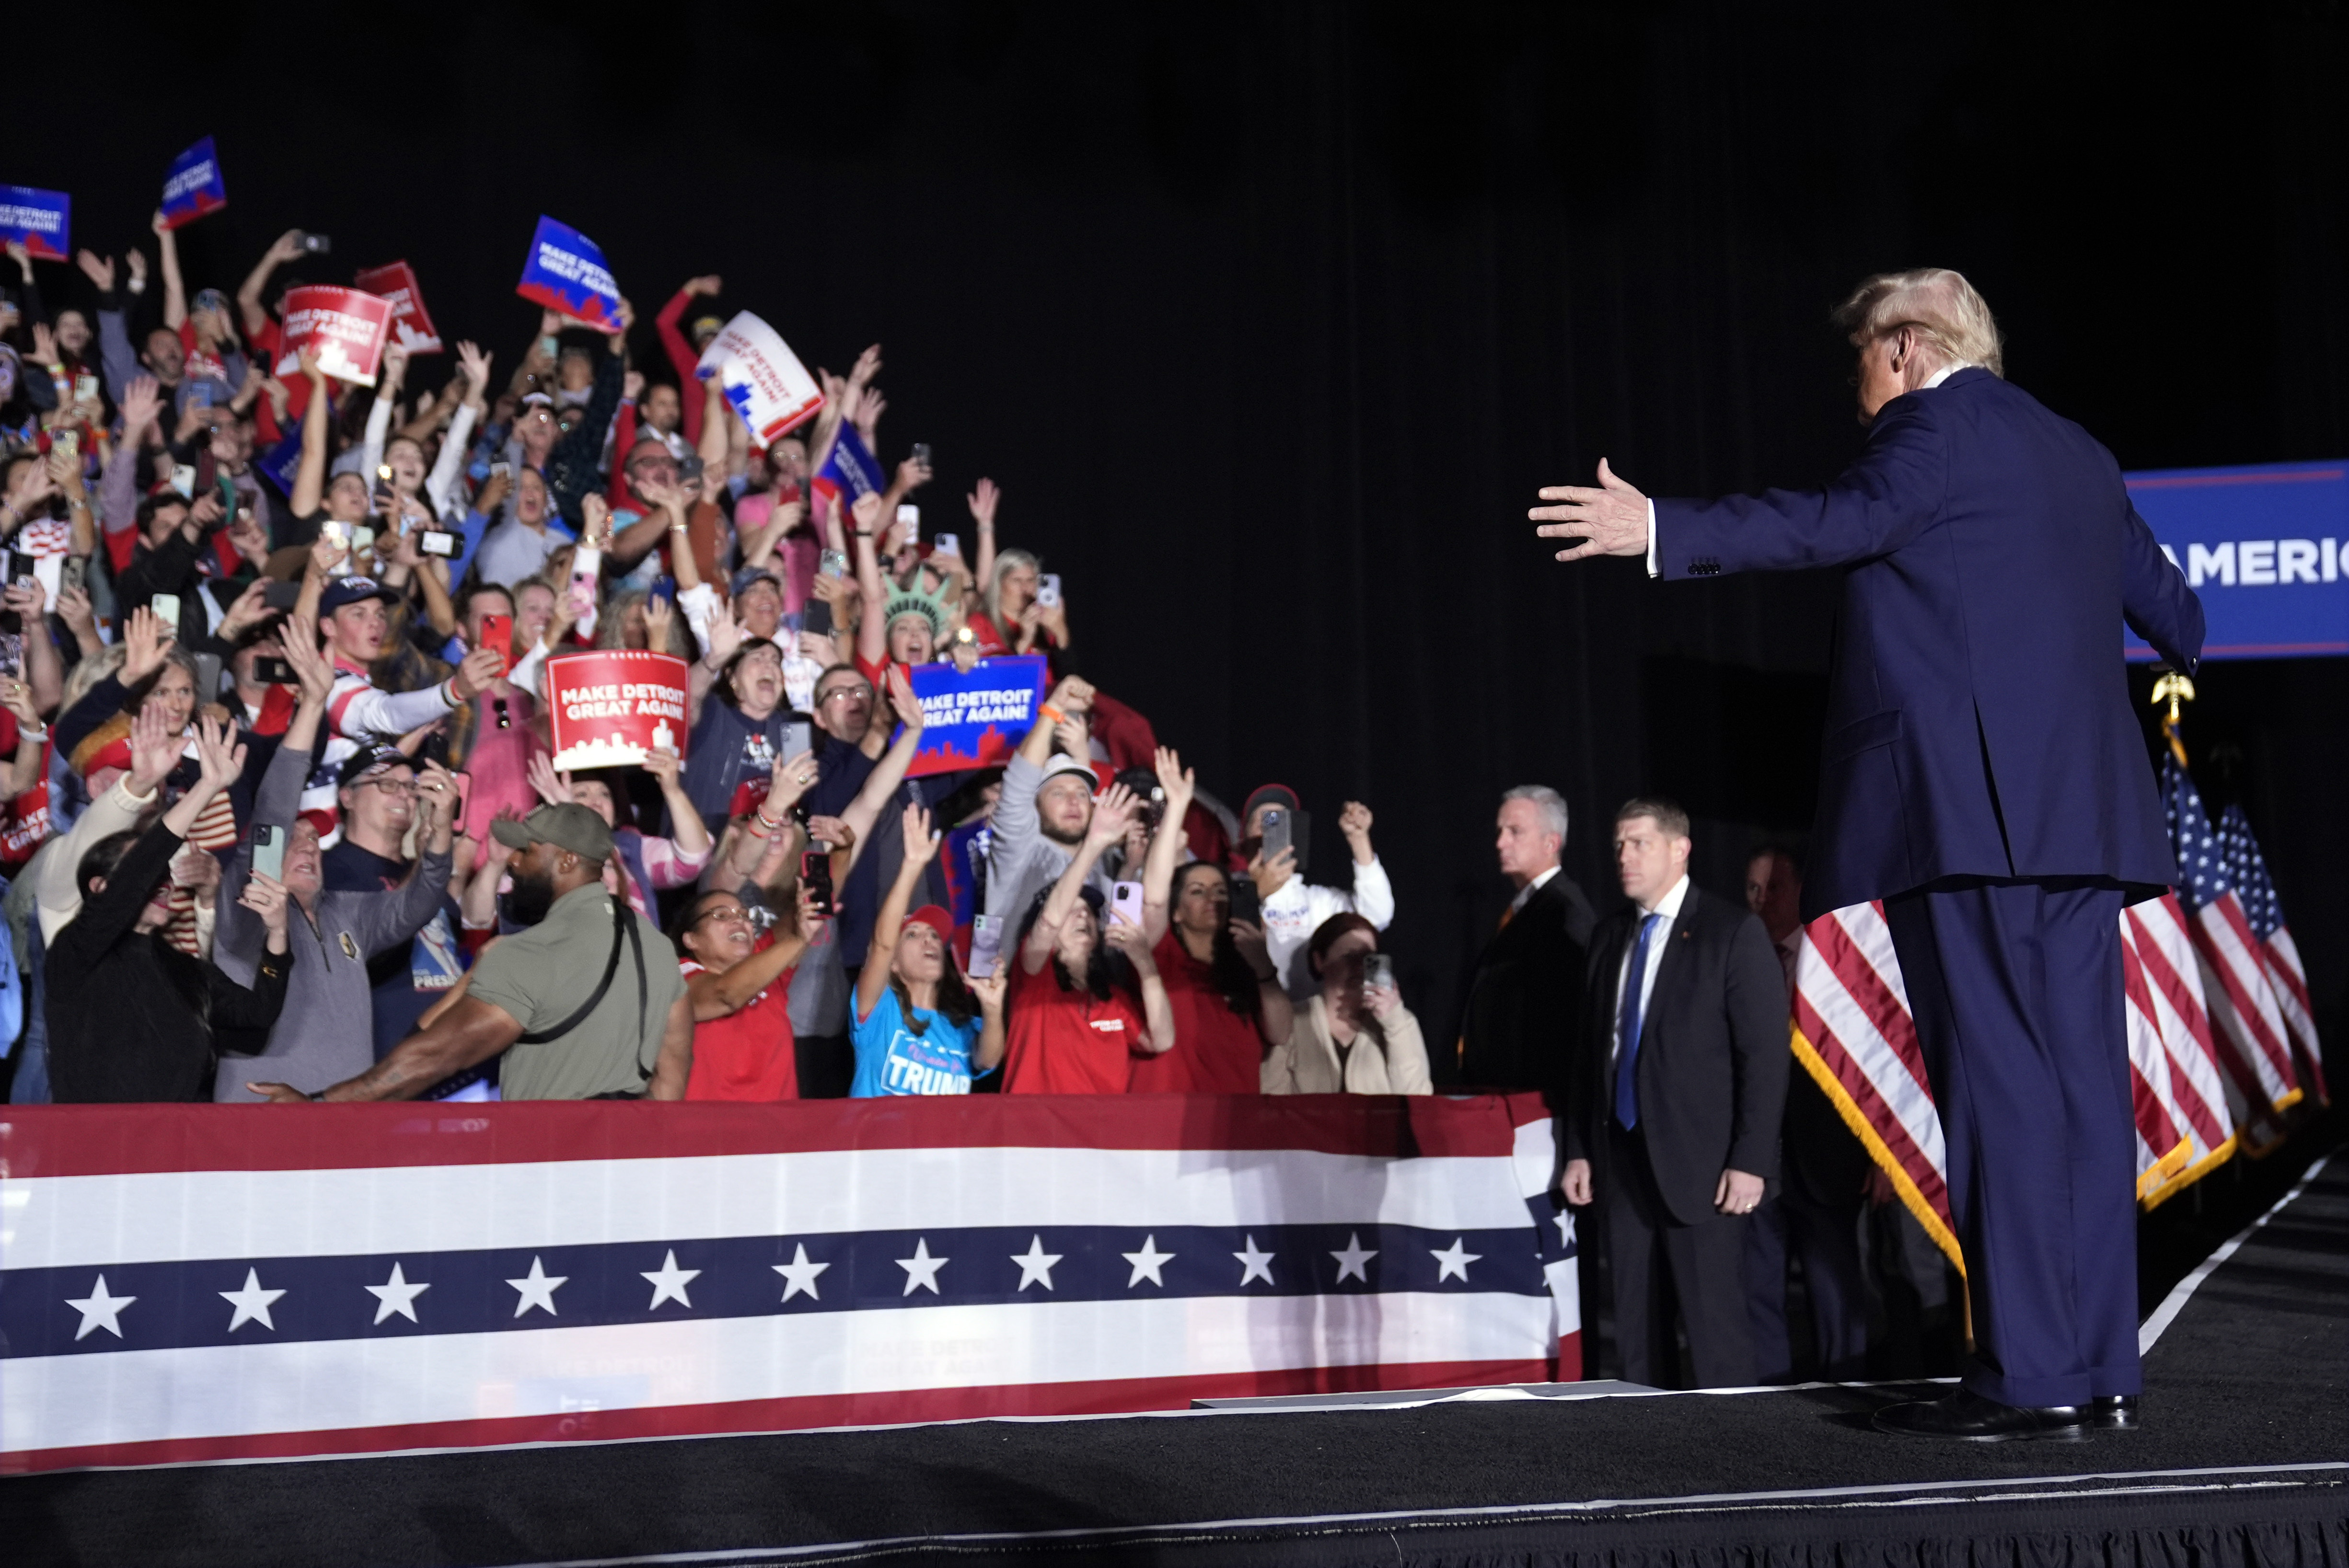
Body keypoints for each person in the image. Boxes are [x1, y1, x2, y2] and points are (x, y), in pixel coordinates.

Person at [1531, 267, 2204, 1439]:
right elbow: (2180, 613)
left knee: (2000, 1097)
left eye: (1859, 367)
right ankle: (2100, 1367)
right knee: (2085, 1099)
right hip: (2085, 828)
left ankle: (2034, 1372)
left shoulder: (1934, 433)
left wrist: (1664, 530)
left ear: (1902, 348)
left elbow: (1831, 522)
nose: (1857, 397)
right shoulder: (2080, 454)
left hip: (1969, 824)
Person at [1560, 800, 1789, 1391]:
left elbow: (1762, 1059)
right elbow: (1590, 1051)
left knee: (1714, 1332)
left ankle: (1734, 1455)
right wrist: (1582, 1147)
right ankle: (1647, 1448)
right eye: (1617, 845)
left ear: (1678, 848)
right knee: (1636, 1332)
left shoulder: (1729, 930)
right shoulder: (1610, 934)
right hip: (1623, 1159)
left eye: (1637, 843)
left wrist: (1749, 1160)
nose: (1623, 857)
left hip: (1705, 1167)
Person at [252, 803, 690, 1102]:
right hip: (632, 1177)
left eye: (526, 851)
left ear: (568, 862)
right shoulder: (657, 948)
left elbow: (432, 1059)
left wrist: (318, 1104)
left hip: (550, 1169)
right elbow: (670, 1083)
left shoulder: (532, 951)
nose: (512, 863)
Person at [216, 635, 456, 1100]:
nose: (307, 844)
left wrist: (441, 829)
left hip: (343, 1125)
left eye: (314, 837)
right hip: (261, 1123)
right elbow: (272, 810)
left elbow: (419, 904)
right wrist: (311, 706)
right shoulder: (246, 908)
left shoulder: (347, 913)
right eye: (294, 838)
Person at [46, 716, 292, 1103]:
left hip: (171, 1151)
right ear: (100, 888)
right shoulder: (77, 953)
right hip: (95, 1152)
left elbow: (257, 1014)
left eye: (167, 875)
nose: (164, 882)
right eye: (151, 875)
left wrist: (278, 935)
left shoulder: (181, 967)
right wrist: (207, 788)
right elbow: (139, 872)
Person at [1741, 845, 1872, 1382]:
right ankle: (1767, 1400)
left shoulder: (1835, 967)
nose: (1761, 900)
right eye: (1751, 889)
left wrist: (1879, 1157)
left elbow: (1869, 1068)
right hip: (1755, 1162)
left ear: (1798, 890)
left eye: (1772, 887)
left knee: (1834, 1294)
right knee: (1756, 1292)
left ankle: (1845, 1389)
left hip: (1825, 1159)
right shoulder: (1739, 960)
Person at [1133, 748, 1292, 1092]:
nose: (1212, 899)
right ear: (1175, 911)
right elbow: (1155, 894)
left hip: (1232, 1131)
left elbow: (1280, 1033)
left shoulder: (1244, 963)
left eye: (1221, 891)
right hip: (1163, 1129)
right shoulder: (1162, 954)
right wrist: (1176, 807)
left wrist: (1263, 970)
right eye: (1196, 891)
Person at [1003, 782, 1173, 1093]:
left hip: (1100, 1138)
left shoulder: (1113, 999)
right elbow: (1049, 921)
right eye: (1073, 910)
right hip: (1033, 1135)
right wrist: (1094, 844)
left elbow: (1161, 1040)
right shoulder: (1033, 979)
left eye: (1089, 912)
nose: (1082, 915)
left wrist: (1145, 964)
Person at [322, 742, 472, 1064]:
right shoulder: (329, 871)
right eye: (388, 784)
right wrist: (430, 854)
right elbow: (380, 931)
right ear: (348, 796)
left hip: (449, 1050)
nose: (404, 795)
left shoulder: (423, 868)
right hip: (385, 1054)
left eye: (410, 786)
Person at [850, 800, 1007, 1096]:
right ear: (892, 964)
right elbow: (882, 945)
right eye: (912, 935)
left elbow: (989, 1059)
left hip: (943, 1144)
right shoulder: (878, 1010)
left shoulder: (962, 1027)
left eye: (935, 936)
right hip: (878, 1142)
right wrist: (912, 866)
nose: (929, 941)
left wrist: (993, 1008)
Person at [1453, 785, 1596, 1094]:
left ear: (1551, 842)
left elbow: (1563, 1021)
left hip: (1532, 1104)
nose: (1500, 843)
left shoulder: (1564, 913)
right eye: (1500, 831)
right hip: (1499, 1096)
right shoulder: (1524, 908)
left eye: (1515, 832)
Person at [1236, 784, 1394, 998]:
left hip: (1310, 1023)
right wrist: (1257, 892)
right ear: (1243, 843)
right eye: (1265, 821)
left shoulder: (1316, 901)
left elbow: (1377, 916)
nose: (1271, 830)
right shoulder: (1226, 894)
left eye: (1279, 822)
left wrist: (1359, 840)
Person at [673, 883, 826, 1101]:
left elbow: (813, 907)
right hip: (710, 1129)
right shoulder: (679, 976)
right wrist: (799, 940)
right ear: (691, 940)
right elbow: (725, 995)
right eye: (721, 916)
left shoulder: (767, 969)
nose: (739, 921)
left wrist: (842, 853)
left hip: (777, 1129)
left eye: (745, 915)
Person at [1261, 913, 1432, 1095]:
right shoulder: (1289, 1022)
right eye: (1350, 956)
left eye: (1368, 957)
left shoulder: (1401, 1023)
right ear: (1319, 961)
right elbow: (1272, 1101)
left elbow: (1418, 1100)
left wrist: (1395, 1023)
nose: (1360, 966)